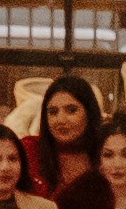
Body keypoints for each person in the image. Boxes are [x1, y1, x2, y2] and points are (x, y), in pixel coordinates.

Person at [18, 70, 107, 200]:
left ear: (89, 113)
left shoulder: (107, 154)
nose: (61, 120)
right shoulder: (28, 151)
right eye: (53, 112)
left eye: (71, 110)